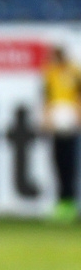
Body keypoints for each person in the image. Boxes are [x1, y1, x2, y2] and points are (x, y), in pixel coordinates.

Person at [40, 45, 81, 222]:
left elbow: (78, 95)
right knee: (58, 163)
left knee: (71, 164)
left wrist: (78, 115)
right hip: (57, 124)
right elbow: (47, 98)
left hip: (70, 123)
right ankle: (61, 203)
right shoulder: (50, 74)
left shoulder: (74, 72)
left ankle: (70, 203)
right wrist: (47, 118)